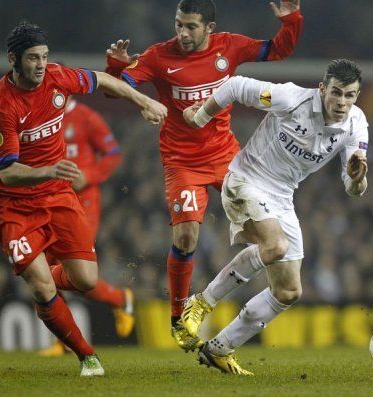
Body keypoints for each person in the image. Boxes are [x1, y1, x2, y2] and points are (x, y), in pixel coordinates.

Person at [105, 0, 303, 352]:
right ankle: (179, 315)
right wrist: (116, 68)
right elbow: (113, 88)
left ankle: (267, 300)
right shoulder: (158, 56)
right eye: (179, 24)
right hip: (182, 163)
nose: (182, 33)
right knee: (185, 237)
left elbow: (278, 50)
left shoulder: (230, 46)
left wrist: (291, 19)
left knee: (268, 240)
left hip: (228, 159)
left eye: (191, 26)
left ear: (209, 28)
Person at [0, 21, 166, 376]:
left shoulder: (59, 79)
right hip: (13, 203)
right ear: (13, 60)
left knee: (84, 280)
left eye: (44, 57)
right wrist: (50, 171)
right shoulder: (2, 106)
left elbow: (102, 79)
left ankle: (45, 283)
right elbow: (7, 172)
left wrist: (142, 100)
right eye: (32, 58)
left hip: (58, 195)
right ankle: (87, 356)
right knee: (42, 284)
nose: (40, 64)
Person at [181, 59, 369, 374]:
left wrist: (358, 178)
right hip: (246, 180)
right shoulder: (290, 98)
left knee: (288, 291)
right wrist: (200, 117)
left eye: (350, 95)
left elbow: (353, 188)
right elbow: (236, 86)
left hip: (282, 197)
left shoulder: (355, 124)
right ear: (322, 89)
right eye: (336, 93)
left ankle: (220, 348)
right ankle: (201, 302)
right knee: (276, 247)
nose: (342, 102)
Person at [39, 96, 134, 357]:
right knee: (46, 268)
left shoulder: (87, 118)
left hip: (84, 202)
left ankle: (119, 299)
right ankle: (64, 340)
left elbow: (113, 153)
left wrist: (89, 175)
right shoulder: (42, 117)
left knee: (75, 266)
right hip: (51, 200)